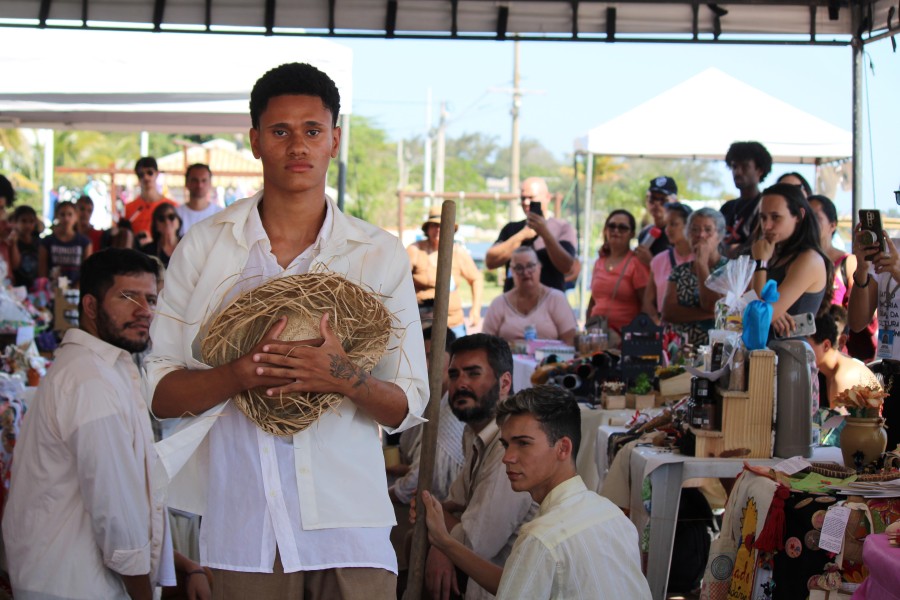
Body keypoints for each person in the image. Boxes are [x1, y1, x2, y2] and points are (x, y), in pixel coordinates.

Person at [145, 62, 428, 598]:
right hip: (244, 523)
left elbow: (406, 405)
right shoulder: (206, 248)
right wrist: (237, 373)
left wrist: (341, 374)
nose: (297, 145)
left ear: (335, 141)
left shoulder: (377, 254)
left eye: (312, 131)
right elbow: (160, 394)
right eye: (280, 131)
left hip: (351, 528)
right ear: (255, 141)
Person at [2, 249, 211, 600]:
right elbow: (117, 518)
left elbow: (128, 506)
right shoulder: (90, 380)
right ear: (90, 306)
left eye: (150, 298)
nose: (144, 311)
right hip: (71, 587)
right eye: (126, 296)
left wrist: (181, 564)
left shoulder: (105, 367)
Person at [415, 385, 651, 600]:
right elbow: (513, 582)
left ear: (563, 448)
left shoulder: (540, 537)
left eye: (523, 443)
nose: (507, 457)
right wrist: (445, 543)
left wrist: (444, 543)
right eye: (506, 444)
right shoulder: (612, 514)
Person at [420, 333, 537, 600]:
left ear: (504, 382)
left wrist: (438, 531)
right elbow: (455, 501)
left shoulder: (511, 447)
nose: (460, 384)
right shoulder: (476, 431)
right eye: (454, 374)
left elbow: (474, 544)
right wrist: (437, 519)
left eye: (473, 374)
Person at [389, 327, 465, 505]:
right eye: (420, 357)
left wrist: (383, 497)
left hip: (443, 506)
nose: (424, 365)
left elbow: (419, 479)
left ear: (453, 360)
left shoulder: (453, 410)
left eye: (431, 356)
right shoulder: (427, 398)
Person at [750, 183, 831, 338]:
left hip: (790, 356)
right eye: (763, 217)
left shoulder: (809, 259)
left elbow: (760, 316)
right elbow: (749, 302)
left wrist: (761, 263)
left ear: (799, 216)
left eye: (775, 217)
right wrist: (772, 310)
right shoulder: (773, 253)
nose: (767, 226)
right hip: (764, 353)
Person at [847, 229, 900, 452]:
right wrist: (861, 270)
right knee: (890, 467)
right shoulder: (891, 246)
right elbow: (858, 322)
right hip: (893, 377)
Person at [485, 177, 578, 293]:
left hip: (549, 305)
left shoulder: (563, 228)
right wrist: (521, 235)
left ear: (547, 198)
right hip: (515, 305)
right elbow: (490, 261)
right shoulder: (512, 229)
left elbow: (567, 267)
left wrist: (544, 233)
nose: (526, 202)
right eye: (523, 198)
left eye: (531, 198)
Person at [409, 206, 484, 337]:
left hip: (454, 321)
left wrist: (475, 309)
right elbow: (398, 279)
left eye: (442, 226)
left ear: (450, 230)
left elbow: (476, 278)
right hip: (423, 320)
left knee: (458, 355)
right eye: (434, 225)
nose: (438, 230)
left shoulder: (458, 252)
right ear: (427, 228)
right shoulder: (415, 250)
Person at [482, 246, 576, 346]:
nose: (525, 272)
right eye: (519, 268)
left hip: (550, 361)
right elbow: (485, 344)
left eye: (530, 266)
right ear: (511, 271)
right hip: (508, 361)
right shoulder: (499, 303)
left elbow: (570, 342)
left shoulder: (556, 299)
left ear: (539, 267)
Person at [663, 208, 728, 346]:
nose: (701, 235)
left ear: (719, 236)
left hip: (717, 353)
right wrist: (711, 314)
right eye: (694, 229)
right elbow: (668, 313)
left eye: (708, 230)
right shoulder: (679, 271)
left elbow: (712, 305)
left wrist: (702, 265)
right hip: (682, 351)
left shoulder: (730, 270)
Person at [586, 209, 650, 338]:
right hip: (597, 336)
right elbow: (593, 300)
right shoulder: (599, 262)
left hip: (624, 339)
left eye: (622, 228)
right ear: (605, 230)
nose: (616, 231)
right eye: (612, 226)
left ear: (632, 233)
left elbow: (646, 304)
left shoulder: (636, 263)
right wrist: (588, 326)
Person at [808, 309, 880, 409]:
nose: (802, 350)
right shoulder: (828, 371)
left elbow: (839, 424)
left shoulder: (842, 377)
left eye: (807, 346)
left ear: (826, 345)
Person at [642, 201, 693, 325]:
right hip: (667, 335)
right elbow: (648, 301)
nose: (668, 230)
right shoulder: (658, 260)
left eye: (674, 224)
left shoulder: (702, 259)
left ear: (689, 226)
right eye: (666, 225)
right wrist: (657, 322)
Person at [720, 141, 773, 257]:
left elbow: (757, 244)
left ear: (759, 170)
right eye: (734, 166)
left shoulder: (765, 205)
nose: (737, 172)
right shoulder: (727, 207)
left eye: (745, 166)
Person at [38, 200, 92, 286]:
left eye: (70, 214)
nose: (66, 218)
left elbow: (87, 270)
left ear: (76, 217)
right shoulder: (47, 242)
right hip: (52, 291)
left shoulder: (84, 242)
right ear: (56, 216)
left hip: (77, 291)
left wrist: (78, 287)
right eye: (62, 214)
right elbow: (42, 271)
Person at [125, 157, 177, 244]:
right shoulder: (129, 208)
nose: (146, 177)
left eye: (150, 173)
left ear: (157, 174)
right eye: (141, 174)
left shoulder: (172, 206)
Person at [635, 175, 678, 266]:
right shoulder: (645, 233)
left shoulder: (678, 234)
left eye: (663, 200)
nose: (656, 204)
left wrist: (652, 263)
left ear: (675, 202)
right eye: (652, 199)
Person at [177, 163, 222, 234]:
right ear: (186, 183)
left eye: (204, 180)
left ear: (210, 183)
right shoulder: (175, 215)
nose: (199, 185)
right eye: (195, 180)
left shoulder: (221, 215)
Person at [140, 202, 182, 268]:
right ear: (156, 226)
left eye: (171, 217)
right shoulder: (147, 251)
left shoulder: (188, 245)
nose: (167, 222)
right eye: (161, 218)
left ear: (178, 222)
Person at [11, 205, 39, 290]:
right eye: (23, 221)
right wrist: (14, 244)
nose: (28, 225)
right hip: (16, 289)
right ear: (15, 222)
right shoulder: (12, 242)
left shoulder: (39, 242)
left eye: (31, 221)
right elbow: (15, 265)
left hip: (35, 290)